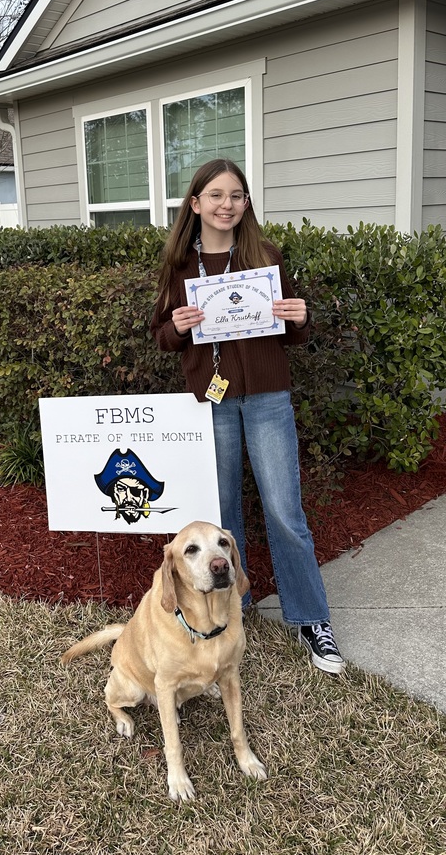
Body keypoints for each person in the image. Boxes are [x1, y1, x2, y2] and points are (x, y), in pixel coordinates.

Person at [151, 157, 345, 675]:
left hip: (266, 397)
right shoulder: (179, 268)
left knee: (285, 511)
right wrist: (178, 325)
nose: (226, 205)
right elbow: (162, 337)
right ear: (195, 204)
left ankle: (310, 618)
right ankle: (235, 605)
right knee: (221, 516)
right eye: (215, 196)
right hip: (211, 401)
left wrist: (301, 320)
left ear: (246, 203)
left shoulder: (266, 257)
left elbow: (289, 329)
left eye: (236, 195)